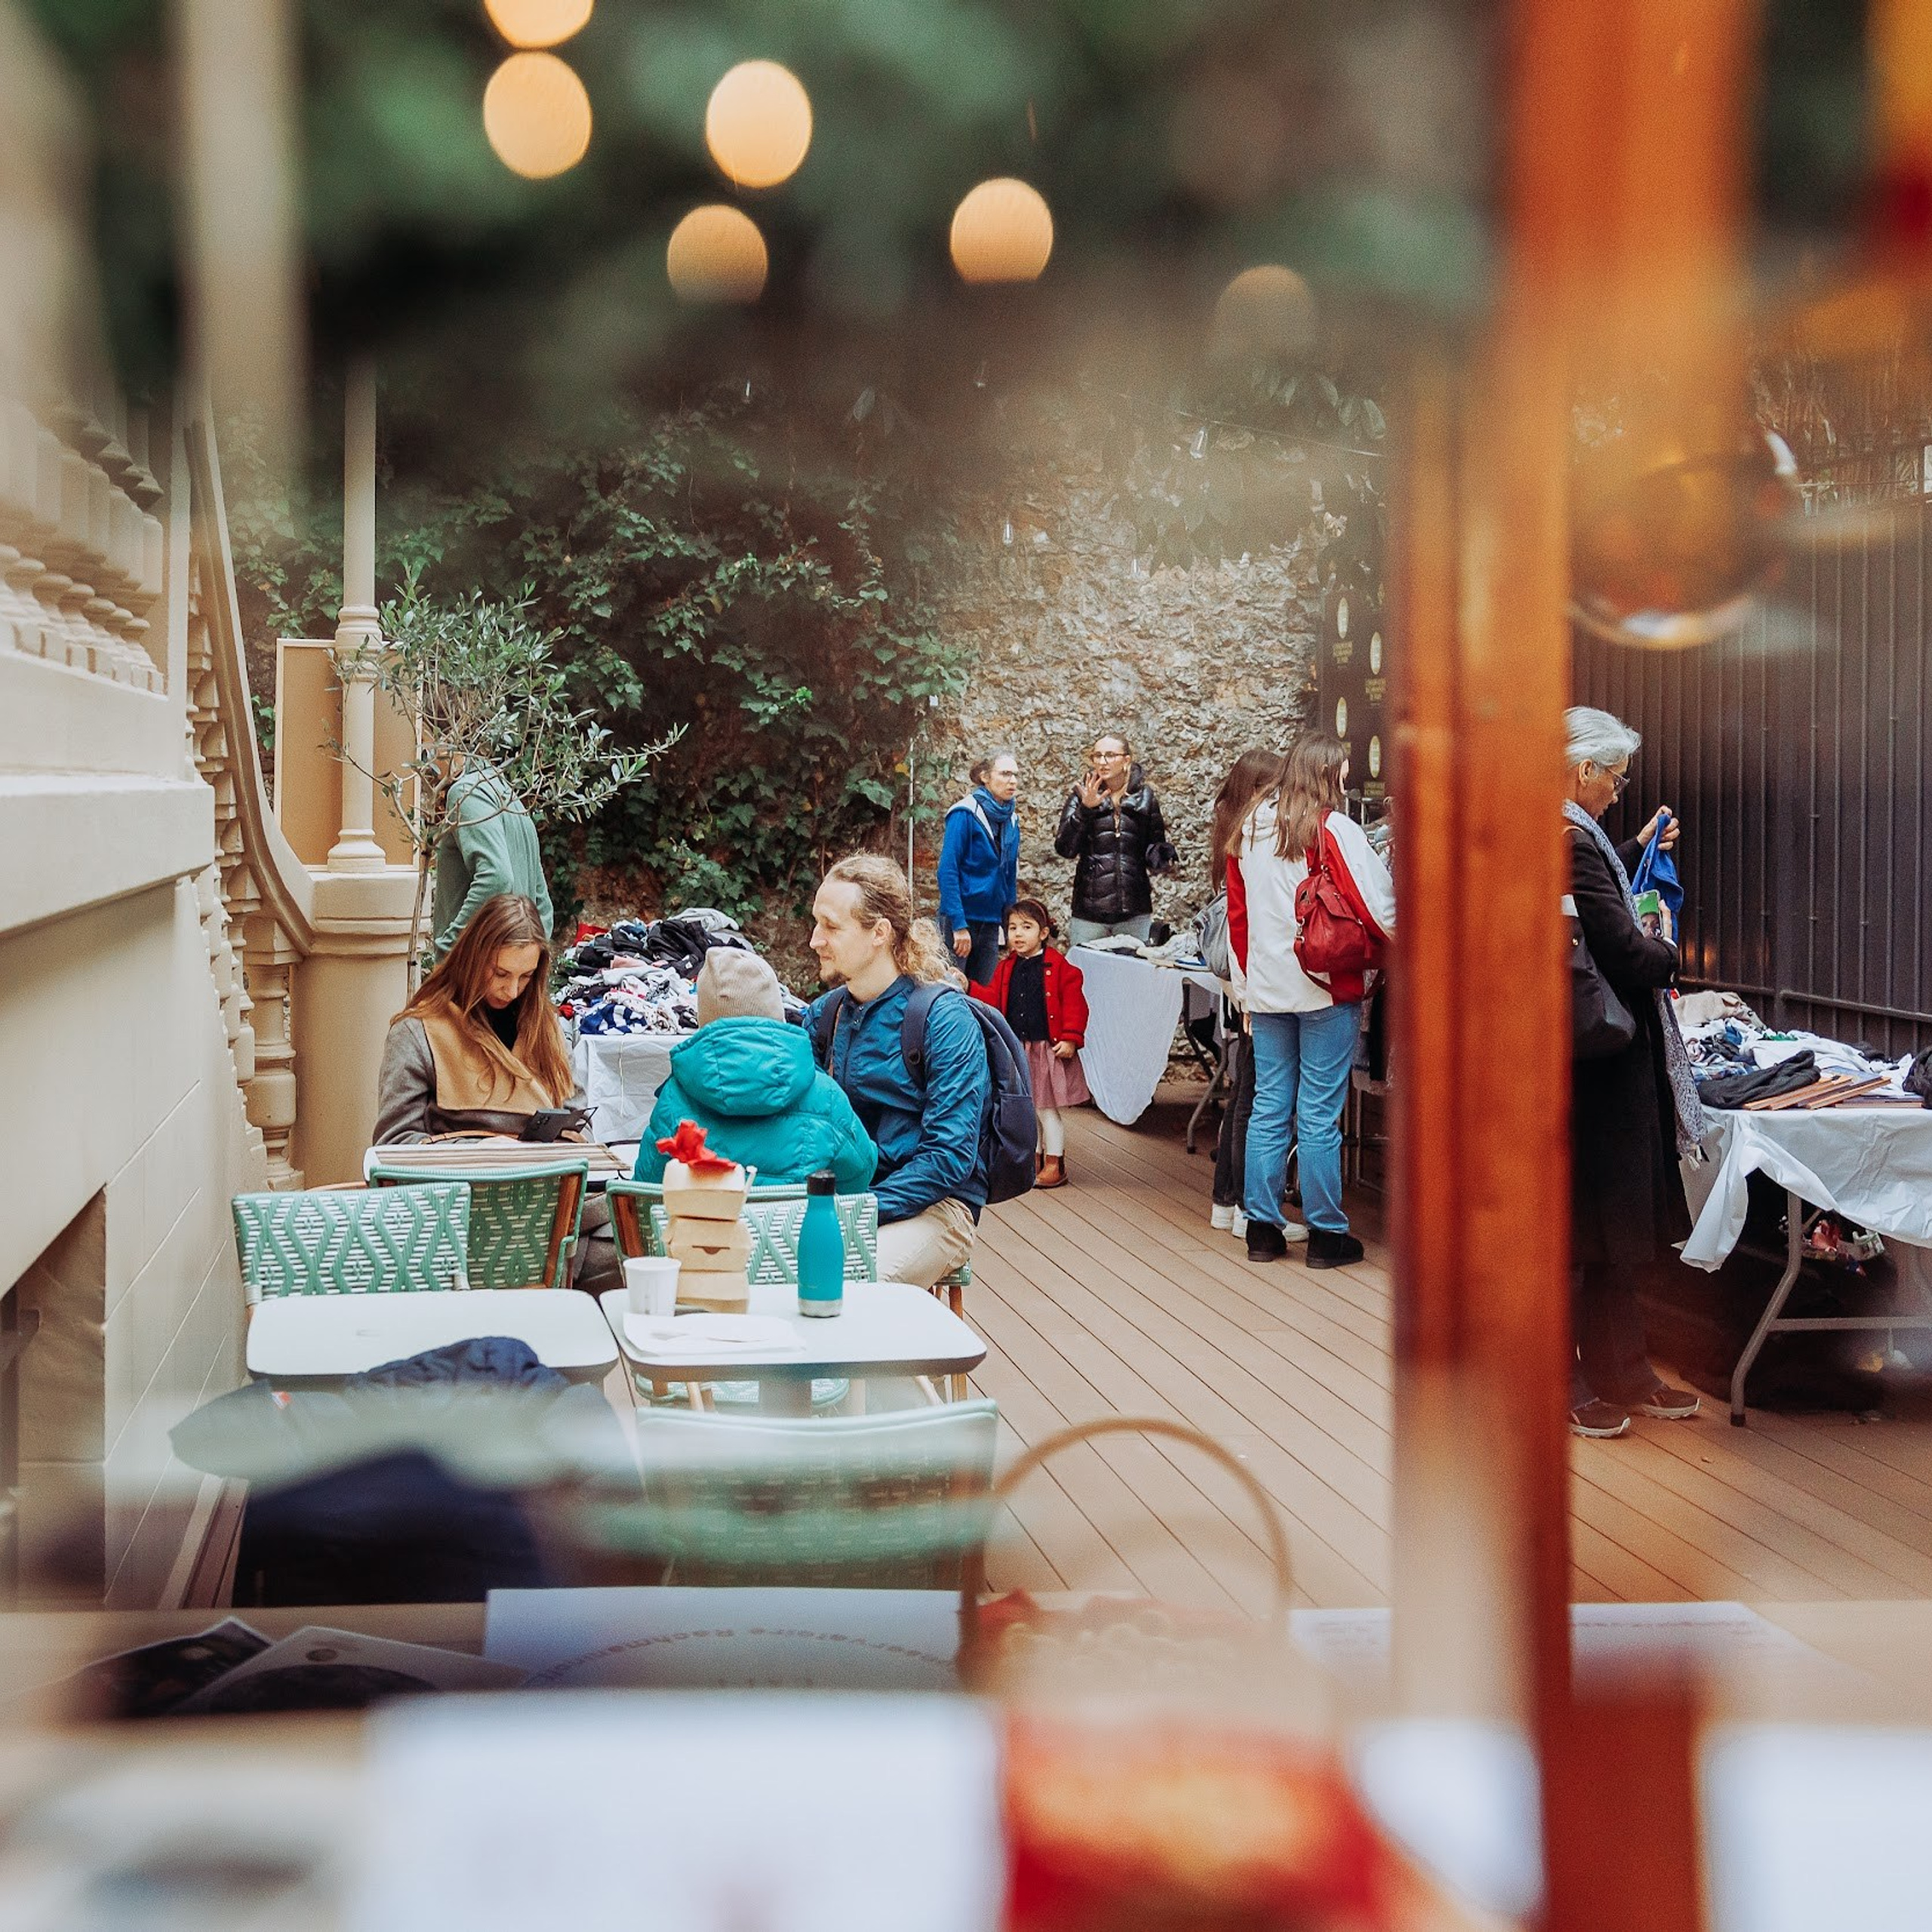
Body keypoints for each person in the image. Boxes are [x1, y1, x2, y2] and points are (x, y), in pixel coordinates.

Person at [1564, 706, 1704, 1439]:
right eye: (1613, 776)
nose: (1619, 788)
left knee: (1604, 1233)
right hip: (1598, 1060)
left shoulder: (1573, 834)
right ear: (1582, 768)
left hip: (1596, 1059)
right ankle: (1578, 1378)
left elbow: (1594, 889)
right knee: (1587, 1234)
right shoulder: (1570, 839)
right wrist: (1671, 950)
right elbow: (1621, 946)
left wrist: (1635, 844)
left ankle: (1619, 1370)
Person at [374, 891, 619, 1291]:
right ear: (473, 959)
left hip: (552, 1206)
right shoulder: (417, 1032)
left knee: (643, 1239)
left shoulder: (547, 1028)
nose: (511, 990)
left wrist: (559, 1145)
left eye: (525, 977)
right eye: (500, 974)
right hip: (462, 1213)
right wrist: (493, 1153)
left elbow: (581, 1129)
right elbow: (393, 1147)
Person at [1229, 732, 1394, 1269]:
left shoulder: (1247, 829)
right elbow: (1378, 904)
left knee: (1269, 1107)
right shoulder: (1333, 828)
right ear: (1328, 772)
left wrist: (1245, 991)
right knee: (1319, 1114)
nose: (1348, 777)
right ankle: (1325, 1234)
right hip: (1325, 985)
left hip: (1270, 988)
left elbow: (1238, 919)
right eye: (1344, 768)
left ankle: (1261, 1228)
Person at [806, 854, 992, 1288]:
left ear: (880, 933)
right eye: (816, 923)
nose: (815, 939)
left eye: (831, 926)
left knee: (849, 1284)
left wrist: (858, 1209)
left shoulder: (944, 1021)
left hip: (937, 1208)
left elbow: (949, 1157)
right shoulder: (823, 1017)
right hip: (840, 1200)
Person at [632, 949, 877, 1191]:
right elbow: (860, 1176)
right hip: (799, 1229)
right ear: (777, 1012)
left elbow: (647, 1189)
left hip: (705, 1229)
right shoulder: (826, 1096)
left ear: (704, 1018)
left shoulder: (675, 1097)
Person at [1205, 749, 1286, 1239]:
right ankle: (1245, 1208)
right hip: (1253, 979)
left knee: (1244, 1092)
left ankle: (1227, 1200)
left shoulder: (1233, 832)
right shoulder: (1250, 839)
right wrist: (1251, 991)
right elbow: (1243, 924)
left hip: (1244, 979)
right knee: (1253, 1093)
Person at [970, 897, 1090, 1189]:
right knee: (1027, 1108)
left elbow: (1076, 1004)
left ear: (1044, 933)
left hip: (1046, 1051)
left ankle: (1055, 1163)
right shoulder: (1005, 969)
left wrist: (1071, 1037)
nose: (1018, 934)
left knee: (1046, 1109)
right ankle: (1033, 1160)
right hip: (1018, 1051)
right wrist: (968, 987)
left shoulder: (1060, 967)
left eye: (1026, 927)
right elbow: (993, 1001)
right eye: (1012, 928)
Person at [1054, 732, 1174, 945]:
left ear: (1126, 760)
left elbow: (1153, 848)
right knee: (1085, 975)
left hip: (1134, 910)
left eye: (1110, 755)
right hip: (1089, 912)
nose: (1103, 761)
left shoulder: (1145, 797)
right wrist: (1085, 809)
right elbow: (1065, 848)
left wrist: (1162, 855)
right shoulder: (1081, 795)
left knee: (1134, 974)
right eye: (1097, 756)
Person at [431, 757, 553, 962]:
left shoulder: (467, 792)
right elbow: (544, 908)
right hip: (509, 973)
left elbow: (496, 877)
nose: (430, 766)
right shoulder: (512, 801)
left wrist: (450, 950)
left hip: (475, 972)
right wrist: (527, 970)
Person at [937, 751, 1021, 986]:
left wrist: (1010, 925)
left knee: (983, 993)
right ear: (985, 777)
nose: (1012, 781)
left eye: (1015, 775)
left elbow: (1009, 875)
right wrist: (959, 925)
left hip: (991, 922)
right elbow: (948, 870)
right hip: (961, 920)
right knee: (951, 990)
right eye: (1005, 774)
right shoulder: (964, 813)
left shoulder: (1012, 820)